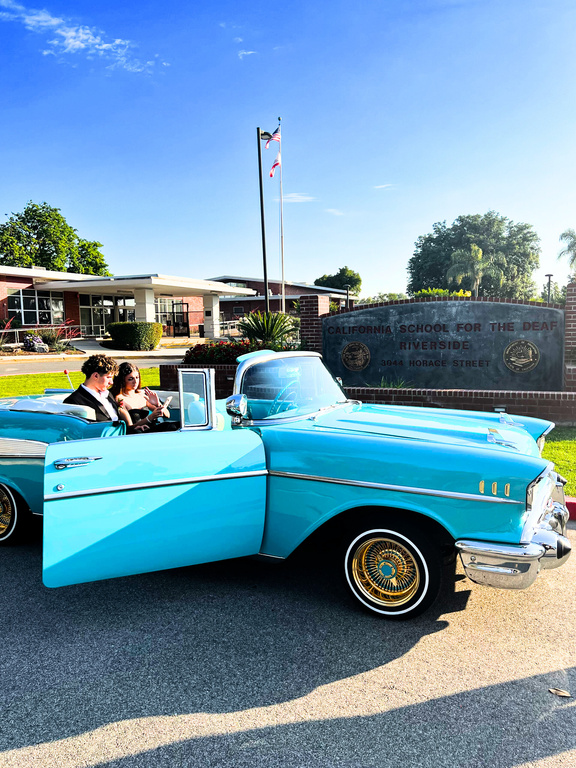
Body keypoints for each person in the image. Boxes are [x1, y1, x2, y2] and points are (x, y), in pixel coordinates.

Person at [110, 362, 177, 432]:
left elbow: (167, 415)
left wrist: (158, 404)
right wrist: (150, 418)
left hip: (152, 428)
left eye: (137, 377)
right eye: (130, 379)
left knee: (175, 425)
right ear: (122, 381)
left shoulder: (141, 395)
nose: (135, 381)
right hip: (138, 432)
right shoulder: (120, 399)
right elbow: (129, 427)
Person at [64, 354, 121, 423]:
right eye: (108, 377)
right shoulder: (74, 401)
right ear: (96, 376)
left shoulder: (108, 394)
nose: (111, 382)